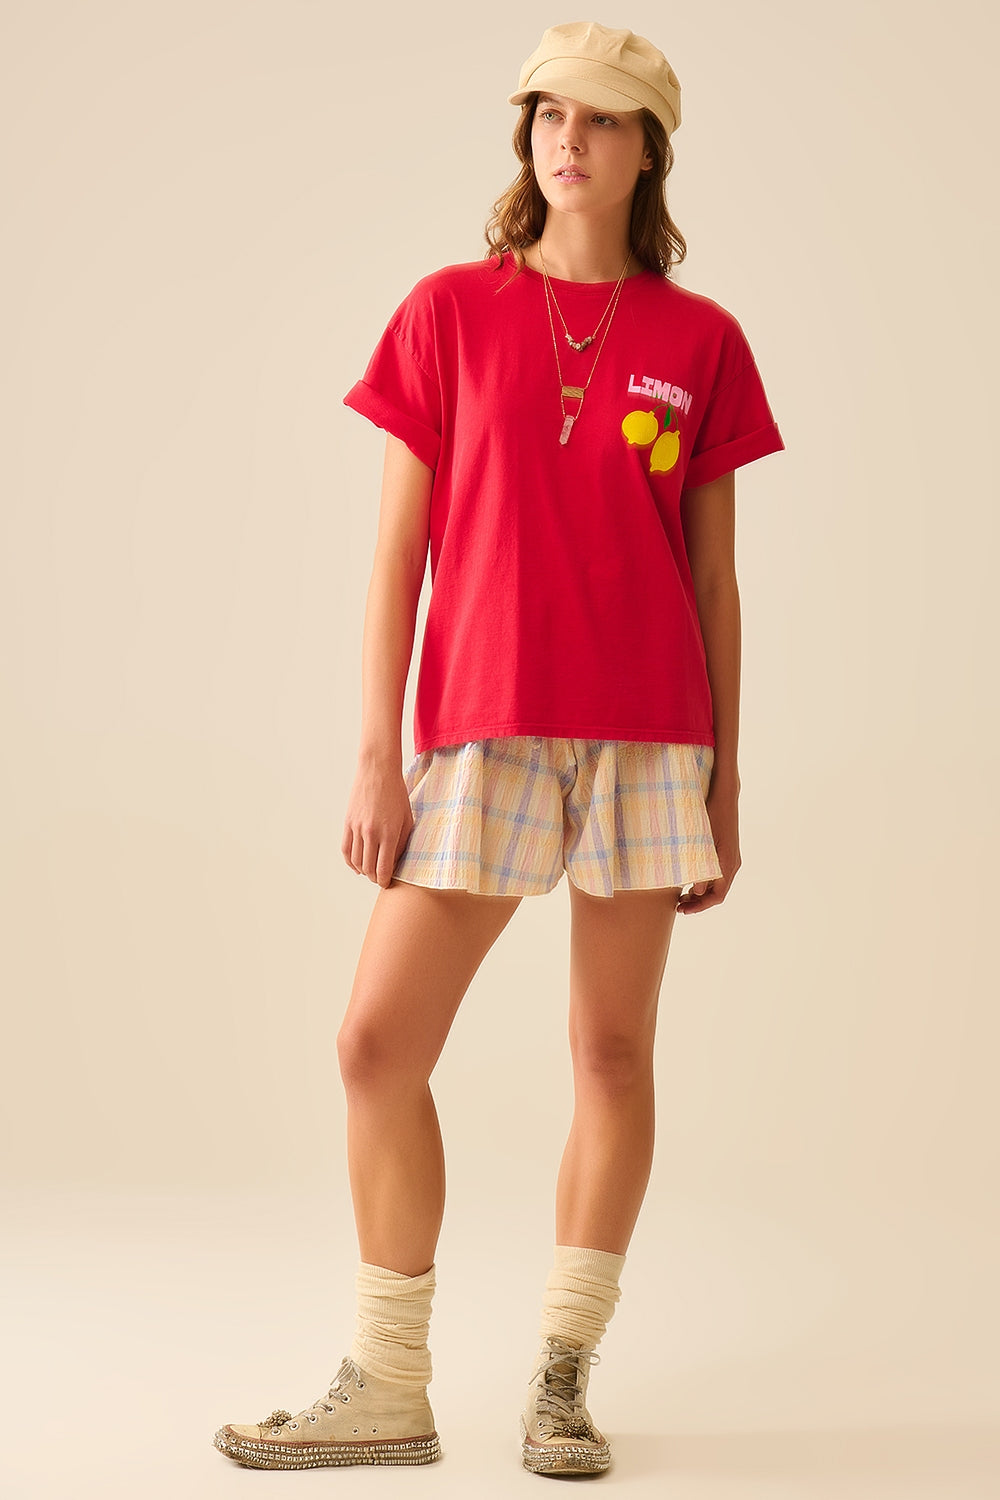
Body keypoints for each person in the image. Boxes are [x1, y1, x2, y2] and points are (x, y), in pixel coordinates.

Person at [213, 19, 784, 1480]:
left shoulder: (702, 339)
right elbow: (395, 554)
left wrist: (727, 778)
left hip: (650, 738)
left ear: (648, 147)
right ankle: (388, 1379)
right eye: (547, 114)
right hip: (482, 728)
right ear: (526, 137)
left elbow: (716, 581)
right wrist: (374, 753)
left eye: (602, 118)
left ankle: (564, 1377)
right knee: (375, 1044)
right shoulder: (448, 312)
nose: (568, 139)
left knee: (612, 1050)